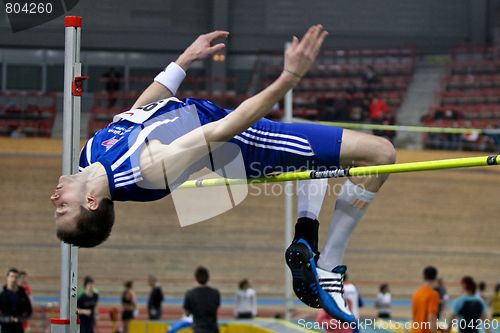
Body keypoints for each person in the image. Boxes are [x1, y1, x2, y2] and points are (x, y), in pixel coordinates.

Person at [51, 25, 395, 322]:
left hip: (224, 123)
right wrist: (290, 77)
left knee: (319, 162)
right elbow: (224, 129)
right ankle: (330, 266)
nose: (55, 198)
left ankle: (306, 237)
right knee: (380, 153)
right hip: (248, 142)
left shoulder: (90, 156)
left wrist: (184, 60)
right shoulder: (147, 170)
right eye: (63, 208)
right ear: (92, 202)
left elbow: (137, 113)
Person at [183, 266, 220, 333]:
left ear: (196, 278)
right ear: (208, 277)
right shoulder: (215, 293)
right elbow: (216, 307)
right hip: (213, 329)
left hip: (199, 329)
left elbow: (187, 313)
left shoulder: (190, 294)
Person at [0, 268, 32, 333]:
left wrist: (20, 319)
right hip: (5, 329)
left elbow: (29, 311)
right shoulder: (2, 295)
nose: (13, 279)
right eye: (11, 276)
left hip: (19, 328)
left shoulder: (22, 295)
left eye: (16, 277)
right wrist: (7, 319)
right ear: (7, 278)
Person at [411, 266, 440, 333]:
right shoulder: (433, 295)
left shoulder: (416, 293)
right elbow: (431, 317)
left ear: (423, 276)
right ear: (435, 277)